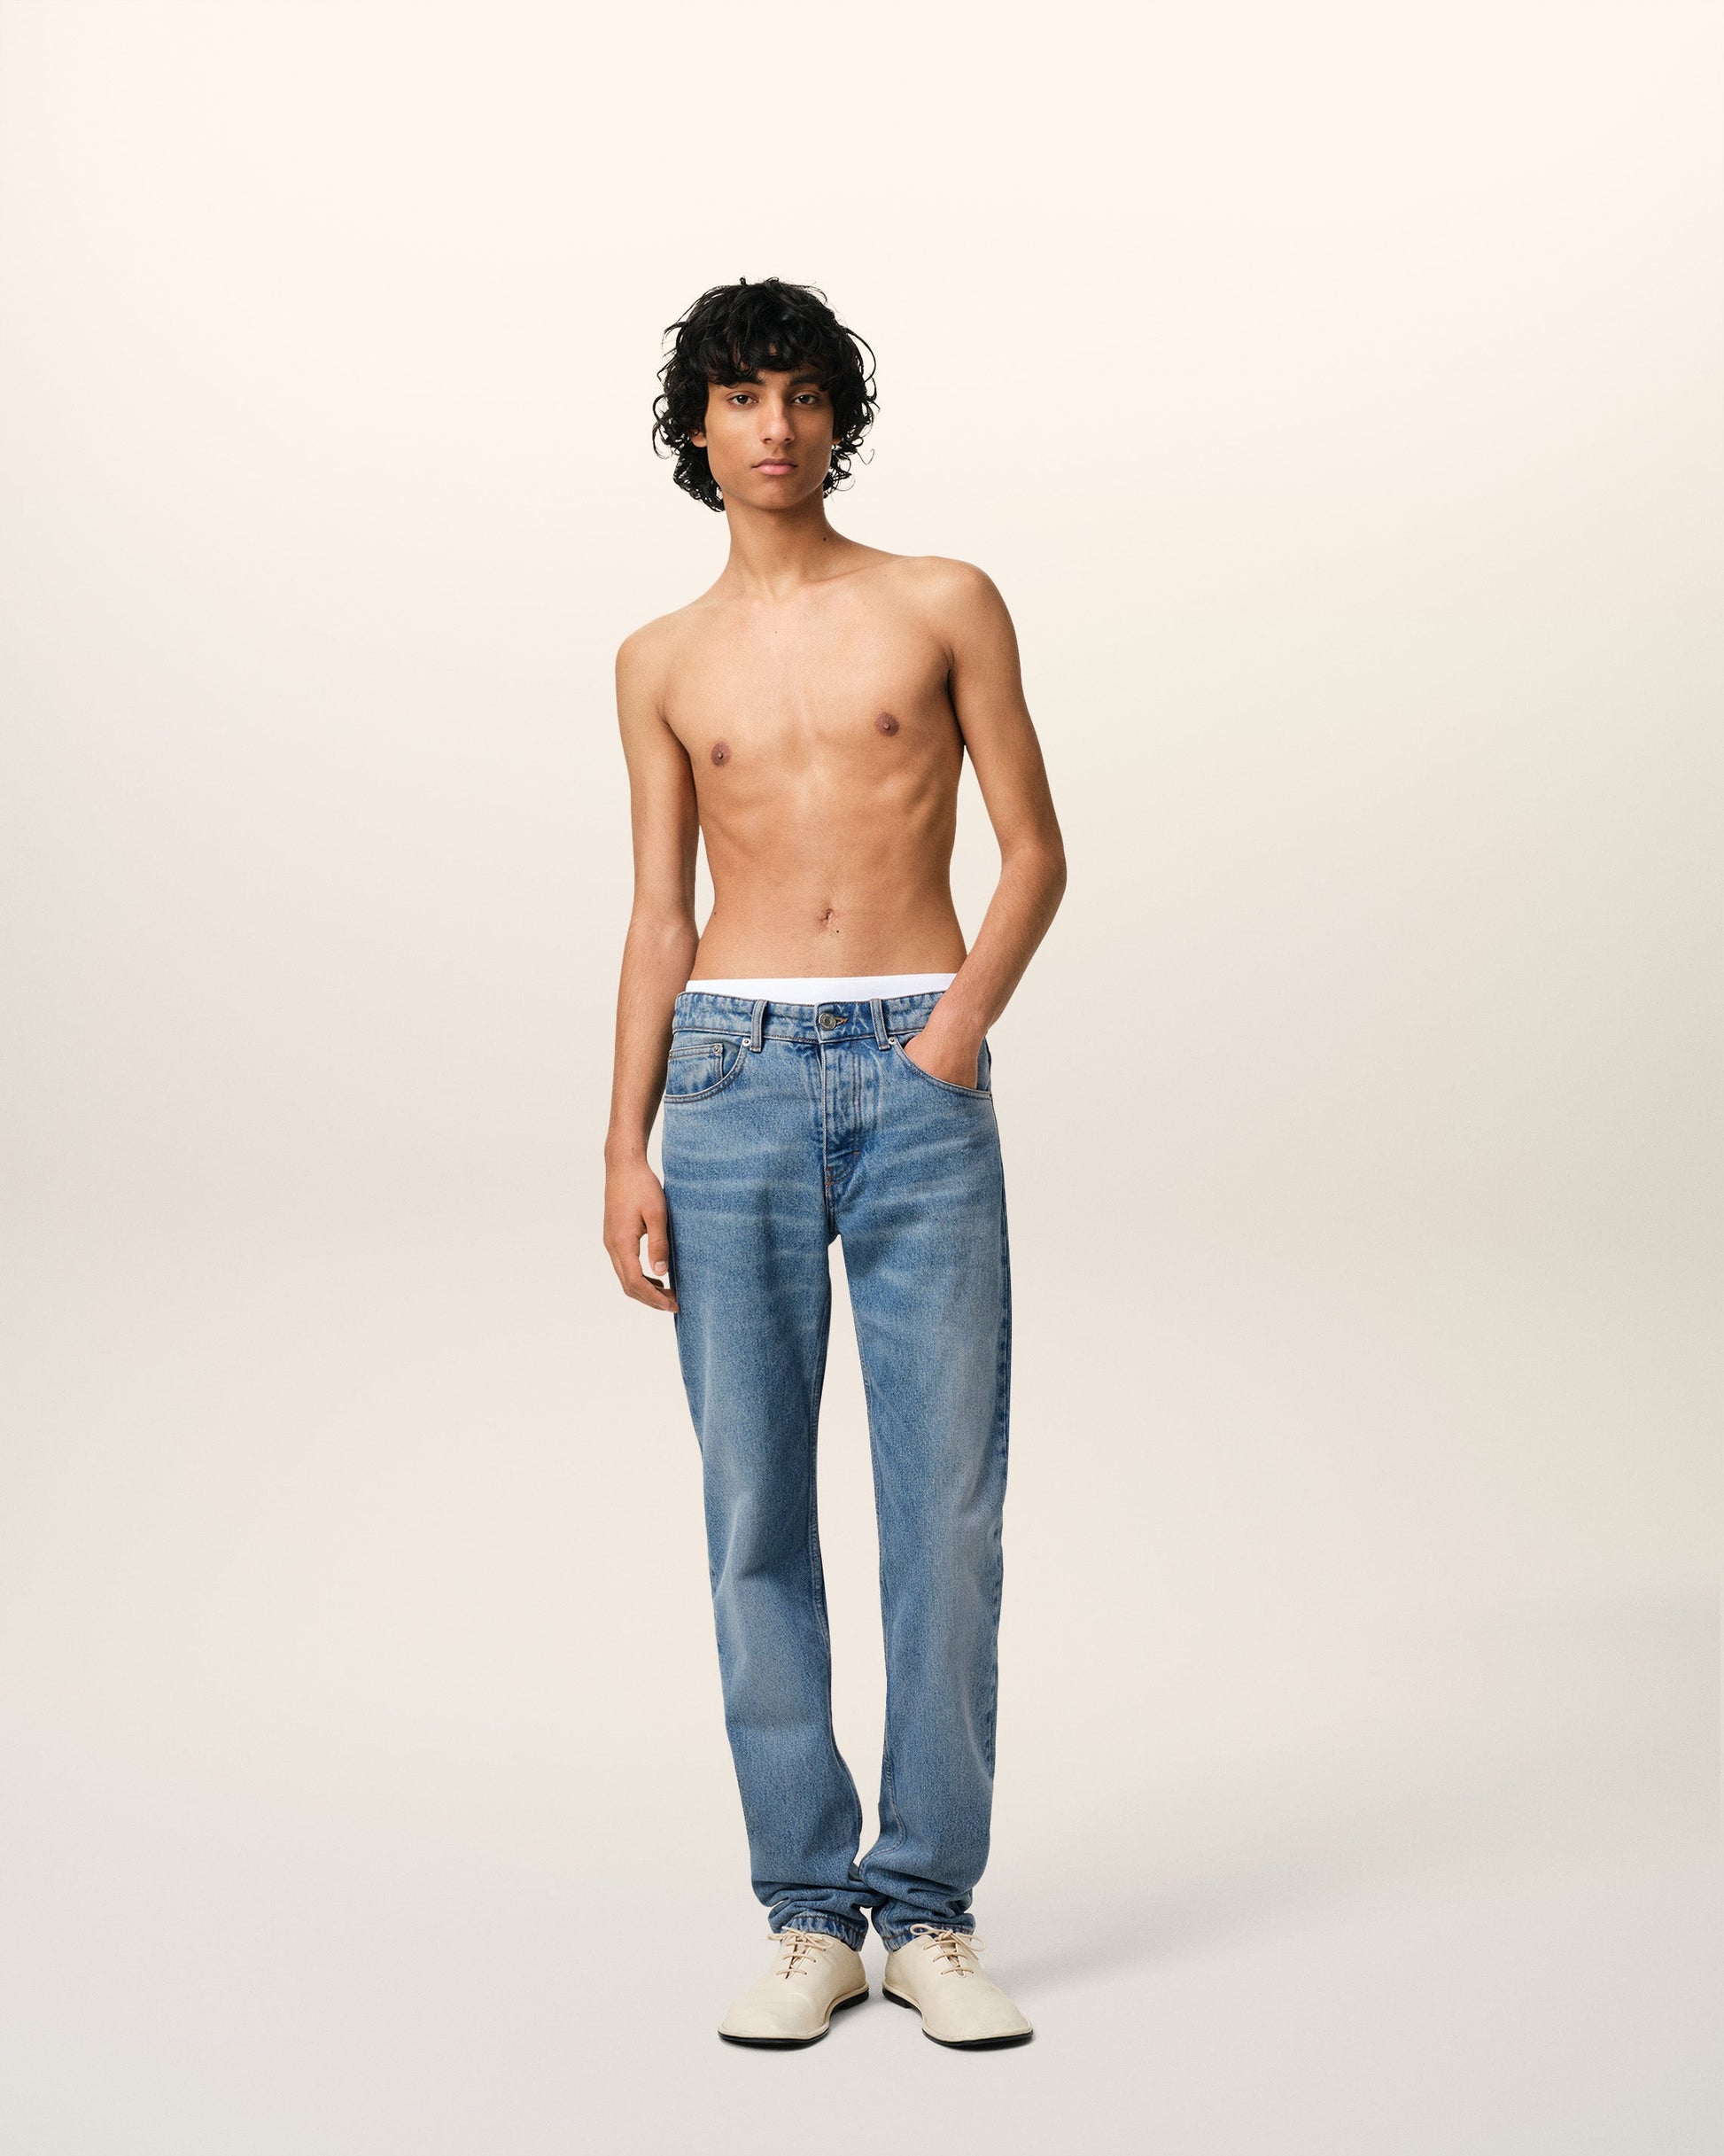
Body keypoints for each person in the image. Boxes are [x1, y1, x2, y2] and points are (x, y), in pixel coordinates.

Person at [602, 278, 1066, 2050]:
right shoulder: (658, 661)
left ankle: (927, 1908)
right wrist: (623, 1140)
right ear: (697, 430)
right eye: (741, 396)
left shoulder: (941, 601)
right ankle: (808, 1913)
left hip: (912, 1063)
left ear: (835, 419)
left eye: (800, 393)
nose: (774, 425)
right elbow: (658, 913)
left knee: (944, 1509)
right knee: (753, 1510)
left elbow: (1034, 850)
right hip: (725, 1077)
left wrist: (951, 1030)